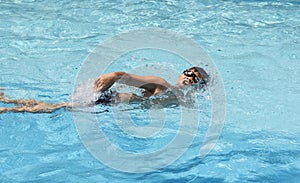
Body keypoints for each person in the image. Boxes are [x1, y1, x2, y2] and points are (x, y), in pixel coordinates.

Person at [0, 67, 209, 113]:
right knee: (54, 108)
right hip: (108, 100)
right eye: (188, 72)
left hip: (111, 102)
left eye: (196, 78)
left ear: (199, 87)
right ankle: (7, 107)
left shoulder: (183, 99)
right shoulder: (162, 83)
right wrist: (103, 83)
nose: (190, 77)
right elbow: (119, 76)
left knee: (56, 106)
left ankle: (7, 100)